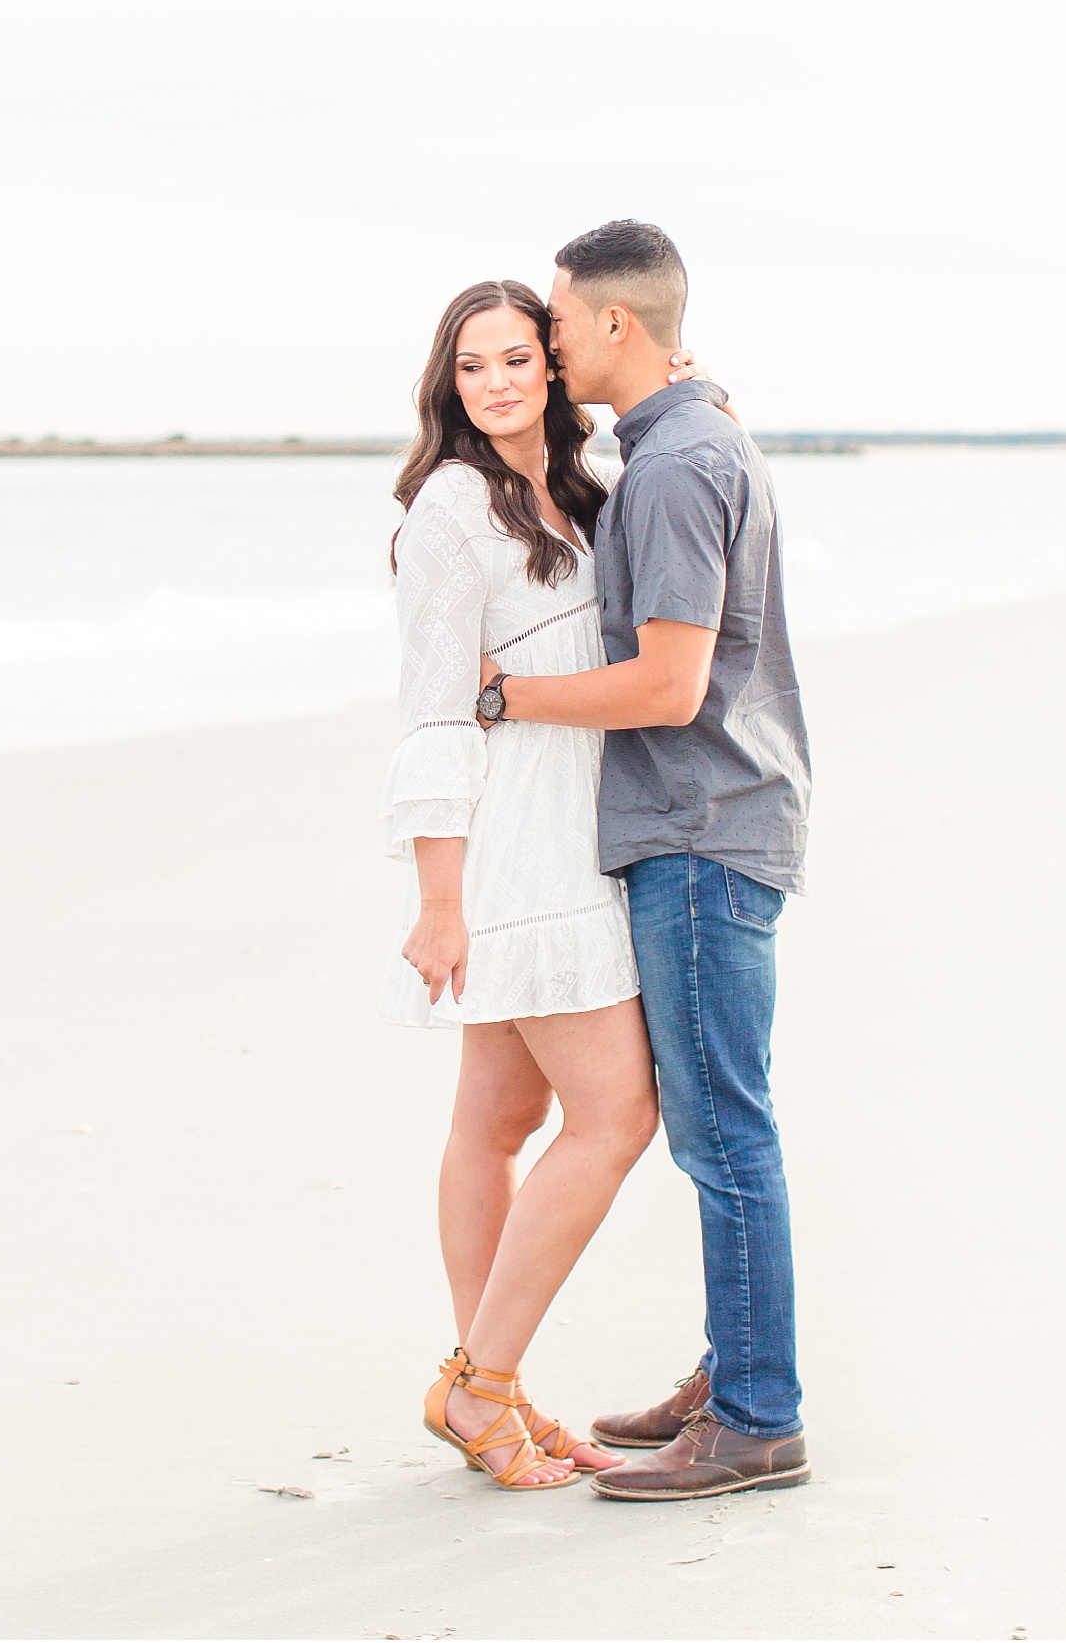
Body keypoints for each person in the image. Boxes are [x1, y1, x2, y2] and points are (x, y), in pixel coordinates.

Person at [480, 219, 812, 1501]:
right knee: (725, 1122)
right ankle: (740, 1368)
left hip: (698, 827)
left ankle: (755, 1415)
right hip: (722, 821)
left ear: (616, 326)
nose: (549, 346)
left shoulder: (676, 469)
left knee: (724, 1130)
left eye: (557, 323)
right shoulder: (689, 437)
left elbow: (670, 686)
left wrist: (507, 697)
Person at [378, 278, 663, 1490]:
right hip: (515, 847)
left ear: (551, 368)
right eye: (471, 366)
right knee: (616, 1117)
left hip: (575, 824)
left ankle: (488, 1382)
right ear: (448, 384)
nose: (494, 383)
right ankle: (481, 1387)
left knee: (497, 1124)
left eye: (514, 360)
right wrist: (439, 897)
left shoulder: (582, 485)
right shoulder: (451, 509)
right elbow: (434, 710)